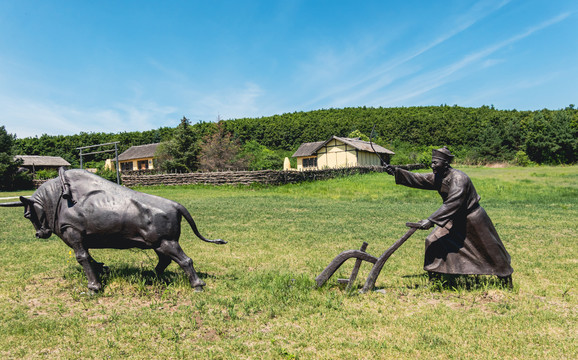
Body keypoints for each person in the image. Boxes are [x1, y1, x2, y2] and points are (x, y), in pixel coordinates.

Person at [384, 147, 513, 285]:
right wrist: (396, 172)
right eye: (432, 162)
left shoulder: (459, 179)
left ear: (445, 163)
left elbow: (453, 203)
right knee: (433, 240)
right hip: (454, 218)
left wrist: (431, 220)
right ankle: (436, 278)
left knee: (490, 250)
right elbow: (420, 178)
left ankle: (505, 278)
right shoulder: (440, 176)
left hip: (472, 219)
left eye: (435, 163)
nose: (432, 165)